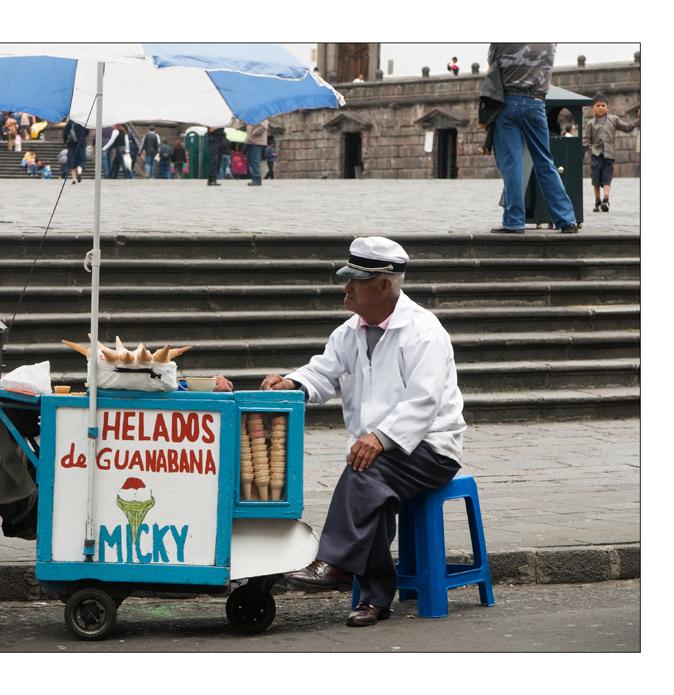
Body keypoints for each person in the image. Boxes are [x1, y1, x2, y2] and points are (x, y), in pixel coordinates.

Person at [267, 237, 465, 628]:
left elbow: (424, 402)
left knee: (366, 470)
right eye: (347, 279)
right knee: (370, 483)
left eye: (356, 281)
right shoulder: (349, 332)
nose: (346, 288)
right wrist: (292, 383)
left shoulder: (424, 331)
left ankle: (338, 562)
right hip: (382, 452)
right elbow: (322, 372)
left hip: (431, 447)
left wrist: (380, 438)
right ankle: (374, 600)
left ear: (384, 286)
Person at [487, 43, 578, 234]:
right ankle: (566, 220)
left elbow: (491, 67)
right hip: (536, 103)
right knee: (545, 162)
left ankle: (514, 222)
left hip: (507, 103)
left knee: (512, 164)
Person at [582, 94, 640, 213]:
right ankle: (597, 200)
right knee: (596, 178)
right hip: (596, 156)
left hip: (609, 155)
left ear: (608, 107)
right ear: (592, 108)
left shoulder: (614, 120)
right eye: (598, 105)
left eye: (603, 105)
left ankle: (605, 199)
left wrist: (638, 121)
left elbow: (627, 127)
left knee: (607, 177)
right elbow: (586, 140)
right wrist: (592, 150)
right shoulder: (590, 124)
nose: (601, 108)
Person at [244, 119, 269, 187]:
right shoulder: (254, 117)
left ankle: (257, 179)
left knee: (255, 160)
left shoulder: (262, 115)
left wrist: (254, 133)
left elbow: (264, 126)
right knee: (253, 160)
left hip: (257, 142)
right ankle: (255, 178)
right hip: (252, 141)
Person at [63, 119, 88, 184]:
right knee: (81, 160)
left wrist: (65, 140)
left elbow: (65, 132)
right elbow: (87, 131)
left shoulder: (71, 122)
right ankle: (79, 172)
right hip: (81, 144)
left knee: (72, 161)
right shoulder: (83, 121)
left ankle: (74, 179)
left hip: (72, 144)